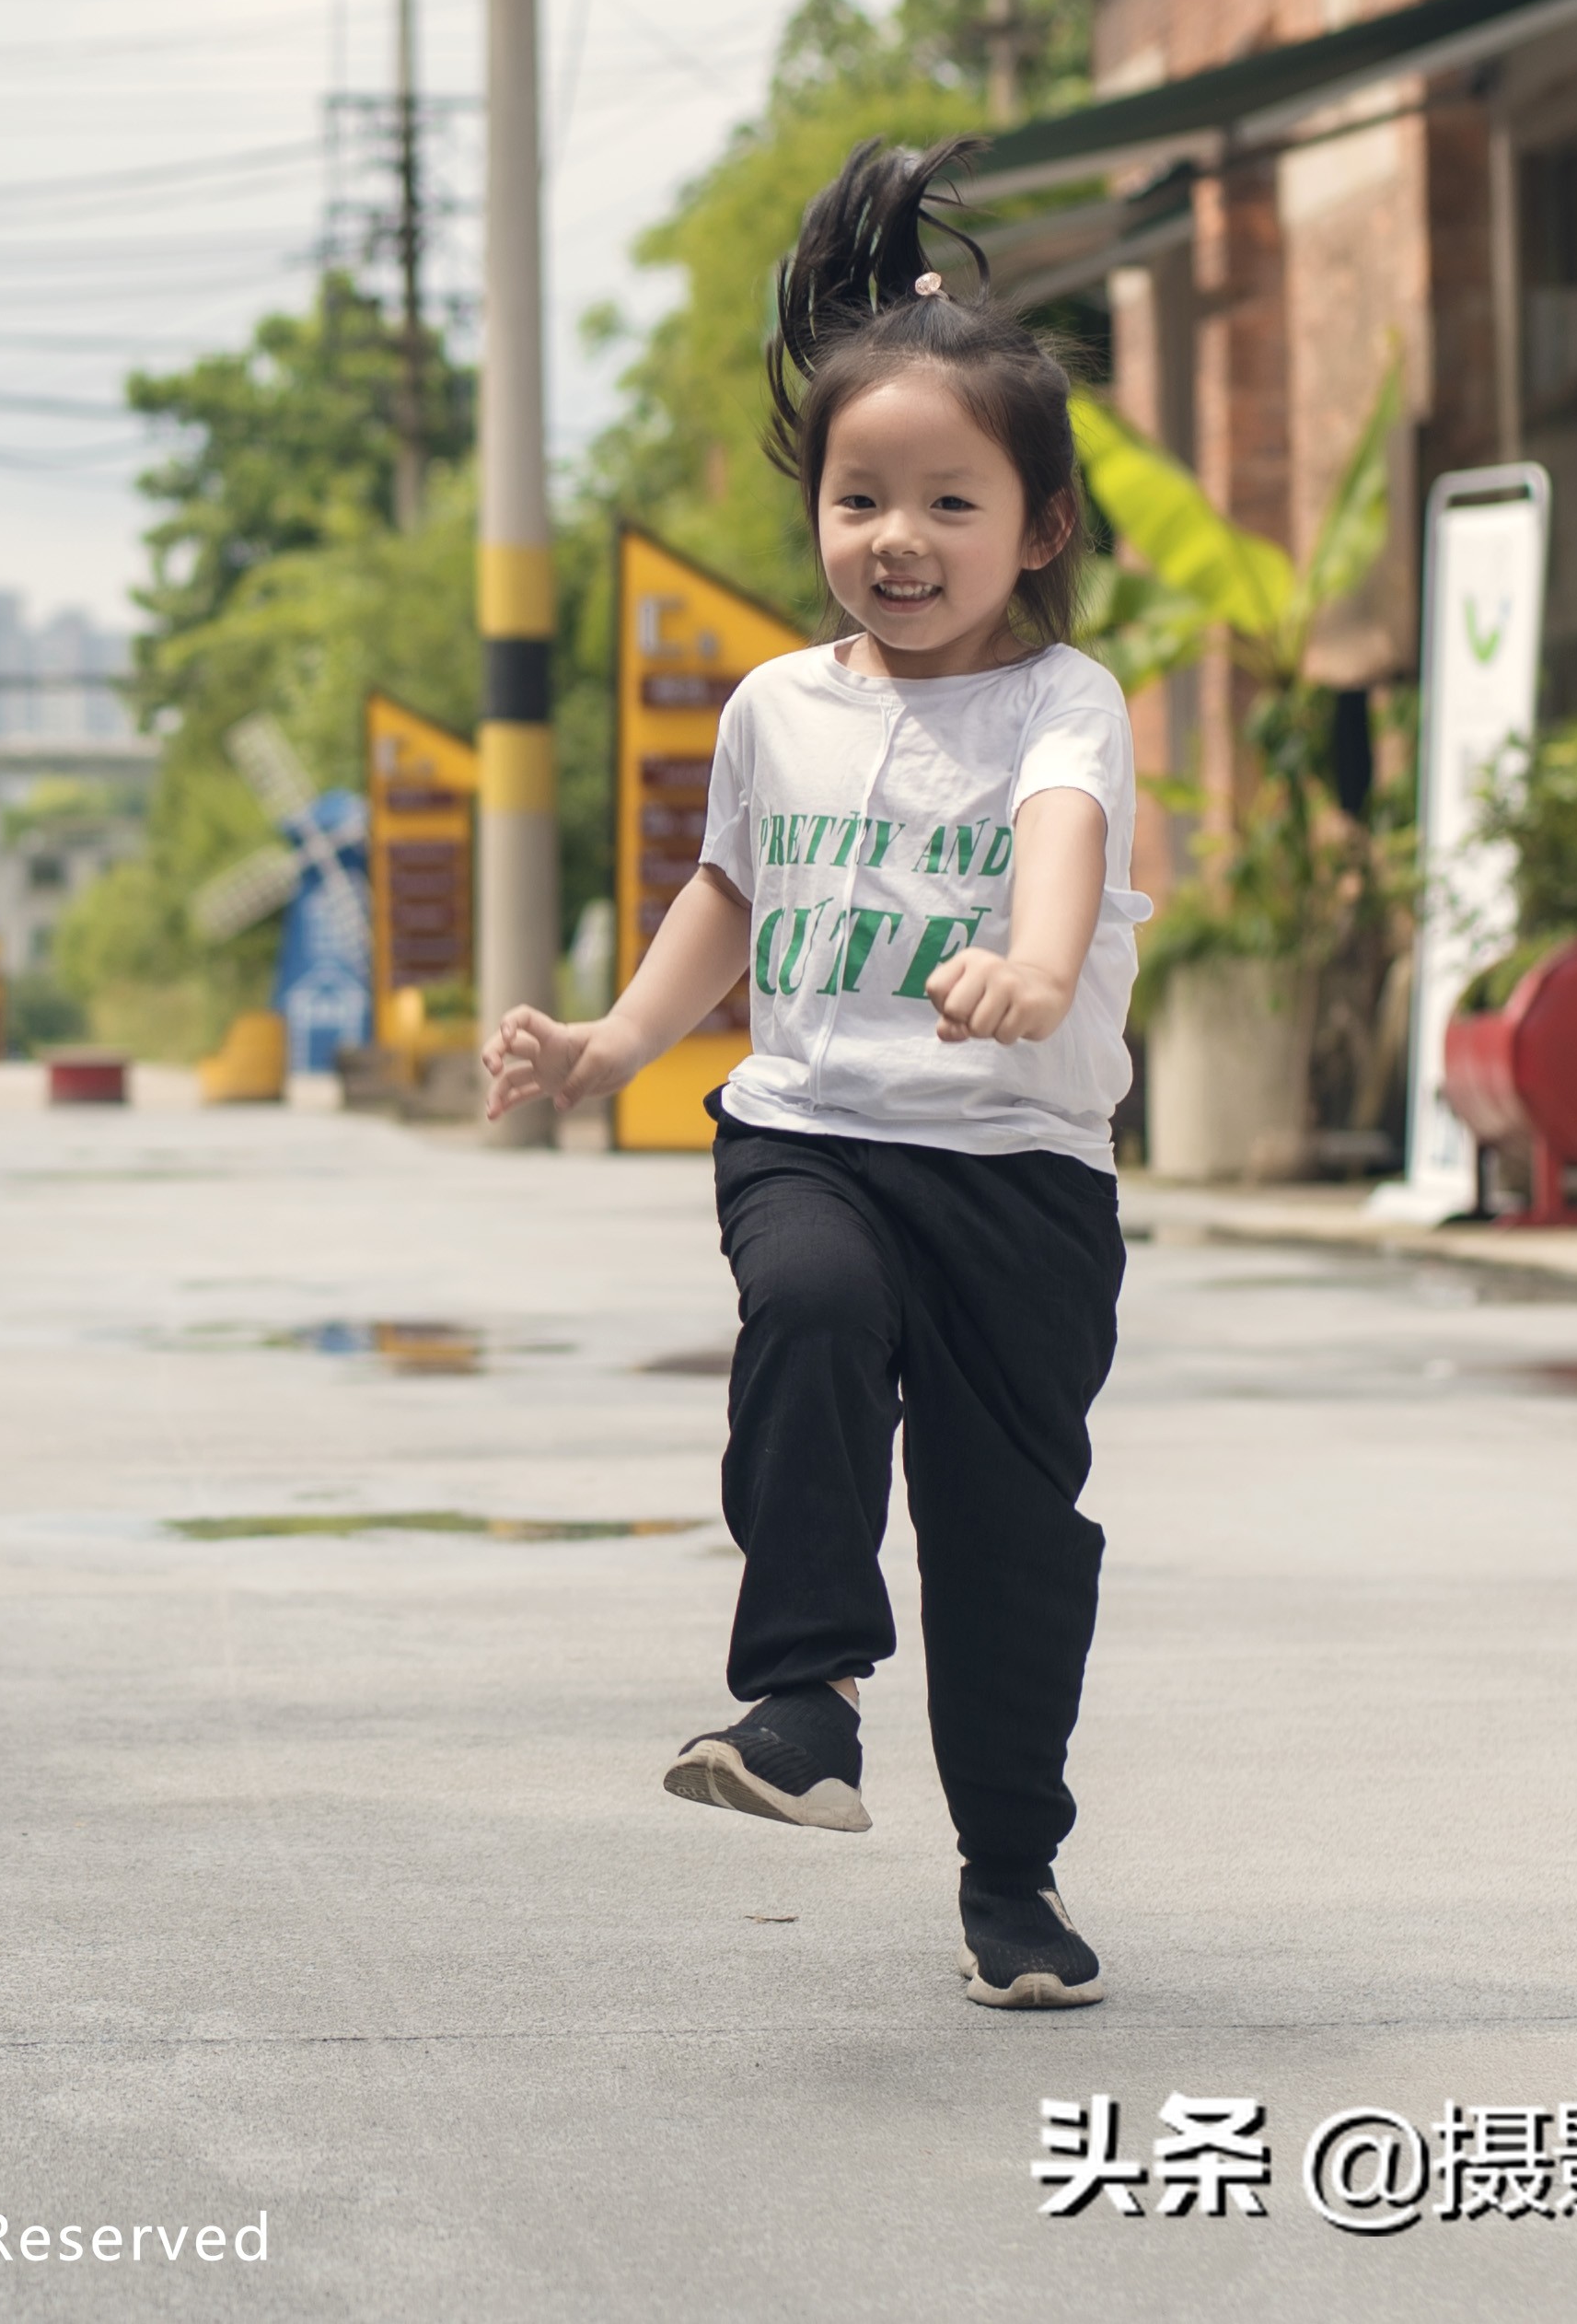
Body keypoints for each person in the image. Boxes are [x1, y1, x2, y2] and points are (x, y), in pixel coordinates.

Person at [481, 137, 1142, 2012]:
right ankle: (798, 1699)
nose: (896, 538)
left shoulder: (1055, 701)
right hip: (816, 1132)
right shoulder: (775, 703)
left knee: (1012, 1544)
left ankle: (1010, 1879)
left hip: (1019, 1175)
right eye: (861, 497)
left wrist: (1028, 962)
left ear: (1037, 527)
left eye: (949, 500)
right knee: (804, 1305)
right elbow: (722, 889)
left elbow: (1064, 839)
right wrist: (610, 1040)